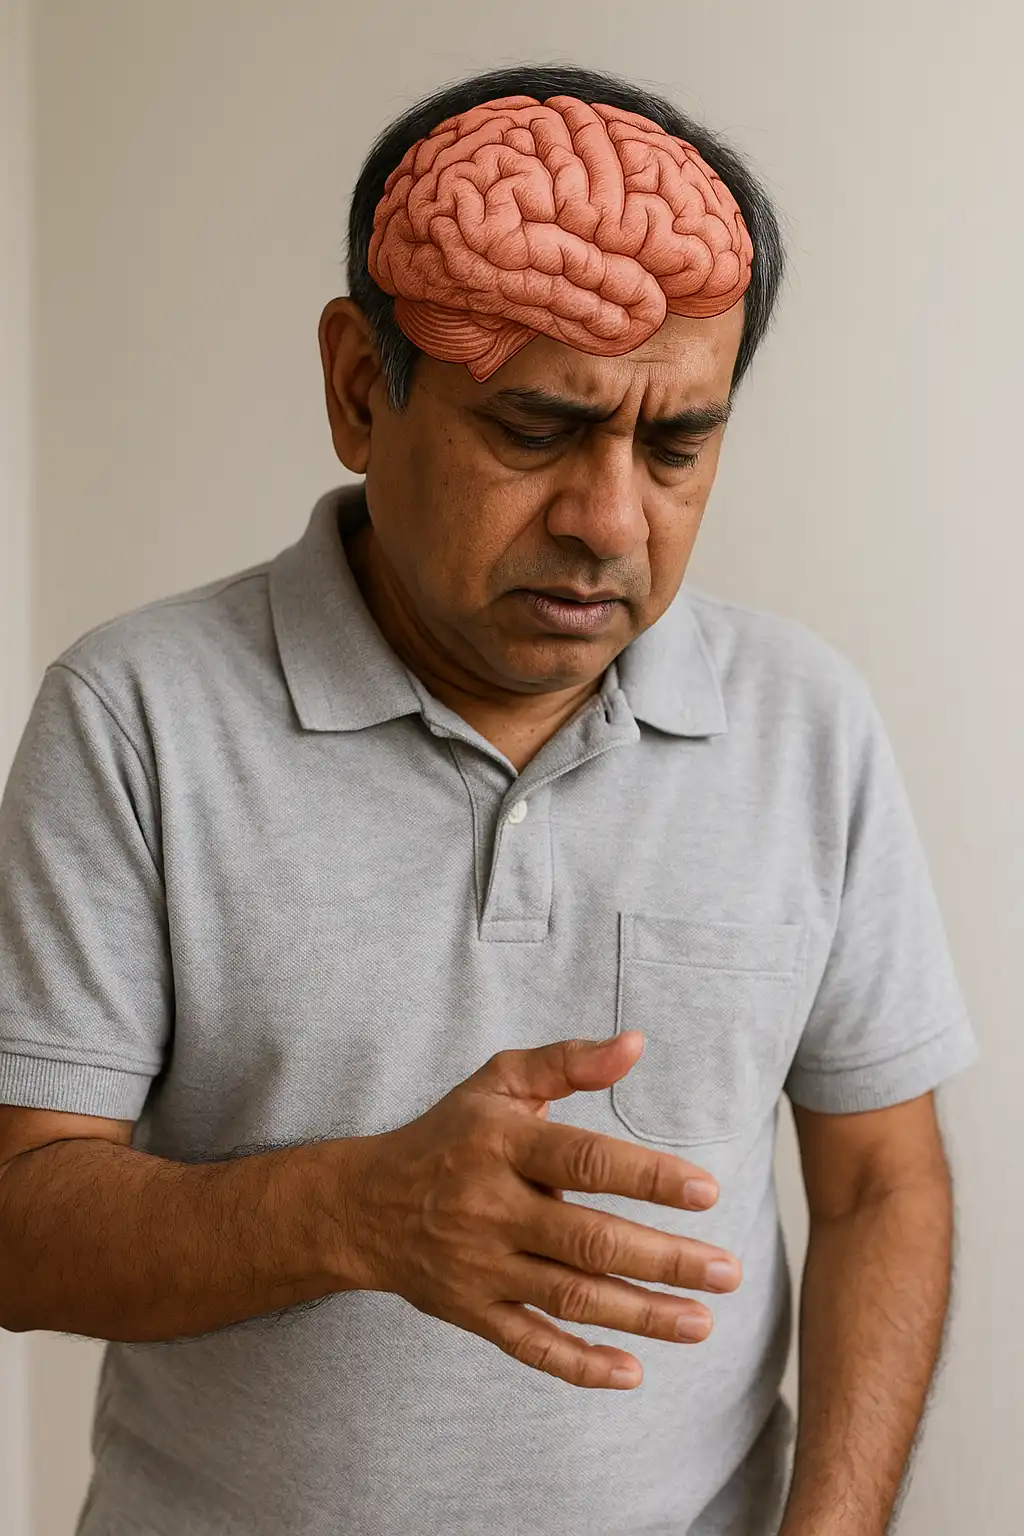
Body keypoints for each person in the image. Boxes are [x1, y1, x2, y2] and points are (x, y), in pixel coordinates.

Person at [0, 61, 978, 1536]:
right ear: (354, 387)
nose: (606, 522)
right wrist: (355, 1209)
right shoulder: (137, 716)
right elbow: (21, 1225)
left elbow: (878, 1189)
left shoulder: (806, 724)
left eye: (675, 445)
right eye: (533, 429)